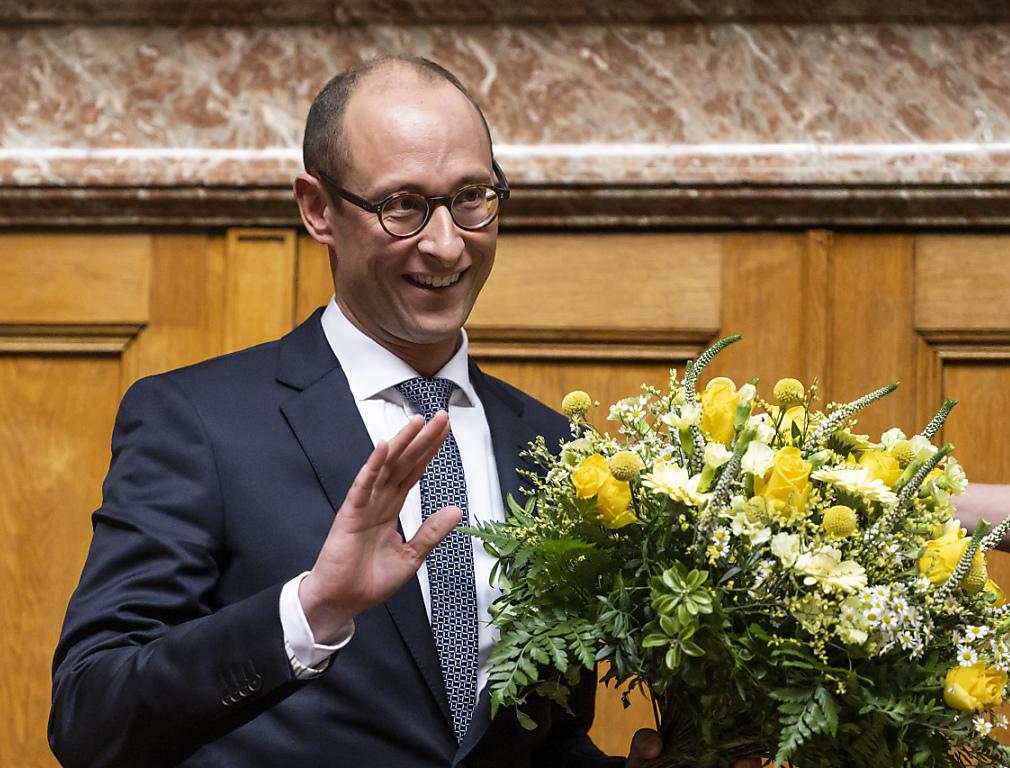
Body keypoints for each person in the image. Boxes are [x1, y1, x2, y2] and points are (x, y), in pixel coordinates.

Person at [52, 56, 754, 768]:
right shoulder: (198, 423)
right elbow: (90, 716)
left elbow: (537, 737)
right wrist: (311, 610)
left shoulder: (557, 448)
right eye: (402, 205)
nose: (447, 243)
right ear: (318, 209)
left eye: (472, 196)